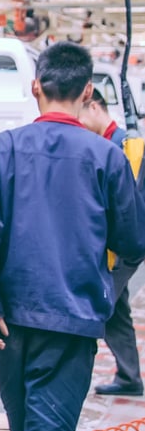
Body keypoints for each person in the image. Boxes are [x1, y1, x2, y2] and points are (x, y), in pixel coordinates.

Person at [0, 42, 145, 431]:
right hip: (71, 322)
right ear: (87, 92)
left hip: (9, 321)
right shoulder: (107, 158)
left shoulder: (2, 148)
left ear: (35, 87)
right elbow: (133, 241)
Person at [79, 87, 143, 396]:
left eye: (80, 114)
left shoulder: (124, 145)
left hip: (125, 247)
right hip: (116, 245)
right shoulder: (108, 143)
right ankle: (129, 378)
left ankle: (69, 375)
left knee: (97, 304)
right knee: (116, 312)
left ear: (94, 107)